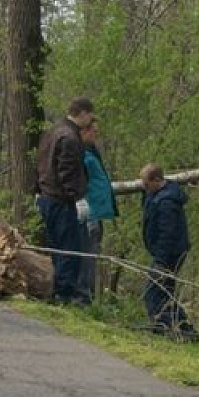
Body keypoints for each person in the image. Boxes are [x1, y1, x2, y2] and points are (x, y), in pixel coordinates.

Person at [35, 97, 96, 305]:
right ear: (82, 113)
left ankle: (55, 290)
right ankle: (63, 294)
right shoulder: (70, 137)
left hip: (46, 197)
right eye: (90, 116)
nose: (91, 121)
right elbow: (67, 173)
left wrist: (38, 189)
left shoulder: (52, 132)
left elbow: (41, 163)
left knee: (56, 247)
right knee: (69, 249)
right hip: (61, 201)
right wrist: (78, 198)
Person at [140, 164, 196, 338]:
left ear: (157, 180)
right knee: (165, 292)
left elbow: (167, 234)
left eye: (146, 184)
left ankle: (163, 327)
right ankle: (184, 330)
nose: (145, 188)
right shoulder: (157, 195)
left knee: (154, 292)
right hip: (164, 253)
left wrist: (161, 261)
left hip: (169, 255)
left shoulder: (167, 203)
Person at [76, 120, 118, 300]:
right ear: (84, 132)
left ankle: (88, 293)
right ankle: (83, 294)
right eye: (94, 131)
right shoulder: (81, 154)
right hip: (88, 211)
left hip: (96, 212)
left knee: (92, 254)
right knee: (86, 255)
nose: (96, 135)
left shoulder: (92, 152)